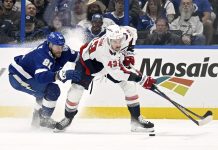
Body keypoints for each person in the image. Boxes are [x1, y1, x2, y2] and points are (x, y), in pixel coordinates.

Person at [55, 25, 156, 133]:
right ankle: (68, 118)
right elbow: (118, 74)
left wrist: (129, 54)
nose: (118, 44)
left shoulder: (126, 35)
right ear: (108, 39)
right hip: (89, 64)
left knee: (129, 86)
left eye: (119, 40)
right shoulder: (104, 51)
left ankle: (136, 120)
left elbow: (133, 31)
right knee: (76, 90)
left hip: (109, 65)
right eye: (114, 41)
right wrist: (141, 79)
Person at [8, 32, 81, 129]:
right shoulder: (42, 55)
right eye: (56, 46)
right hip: (19, 77)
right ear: (50, 44)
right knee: (52, 90)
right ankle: (44, 119)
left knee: (44, 93)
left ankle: (36, 120)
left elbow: (79, 57)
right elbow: (41, 77)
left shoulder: (64, 50)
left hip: (31, 74)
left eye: (61, 46)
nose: (60, 49)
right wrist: (61, 74)